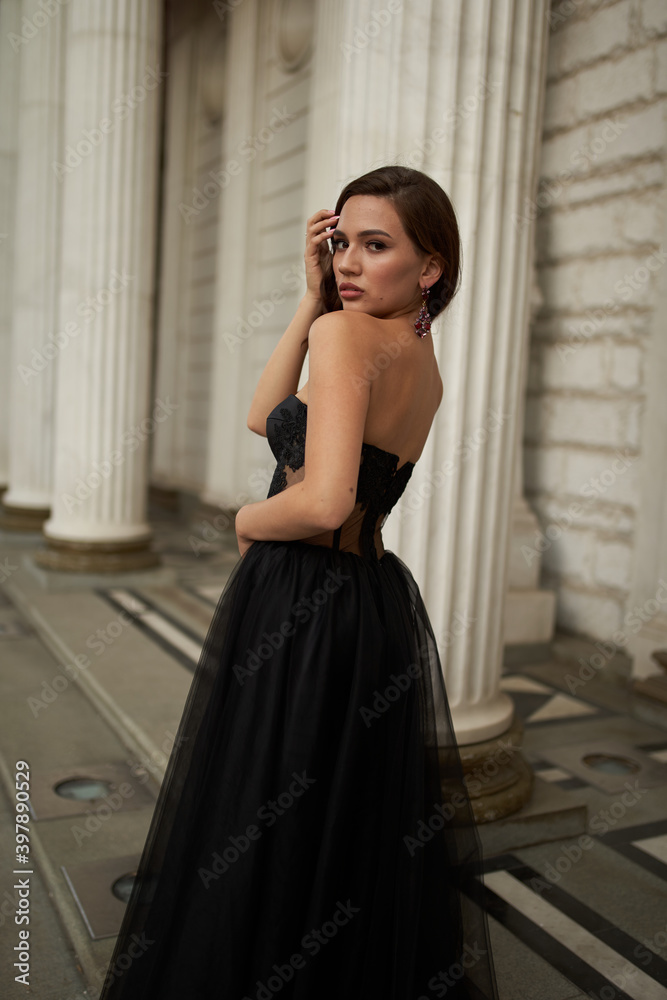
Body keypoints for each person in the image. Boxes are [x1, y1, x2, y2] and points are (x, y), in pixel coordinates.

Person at [98, 165, 499, 999]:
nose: (349, 261)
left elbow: (320, 500)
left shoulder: (350, 341)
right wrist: (310, 300)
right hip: (370, 603)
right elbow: (267, 416)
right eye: (341, 242)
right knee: (334, 827)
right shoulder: (414, 358)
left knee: (260, 811)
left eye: (376, 246)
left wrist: (246, 521)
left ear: (430, 268)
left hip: (305, 597)